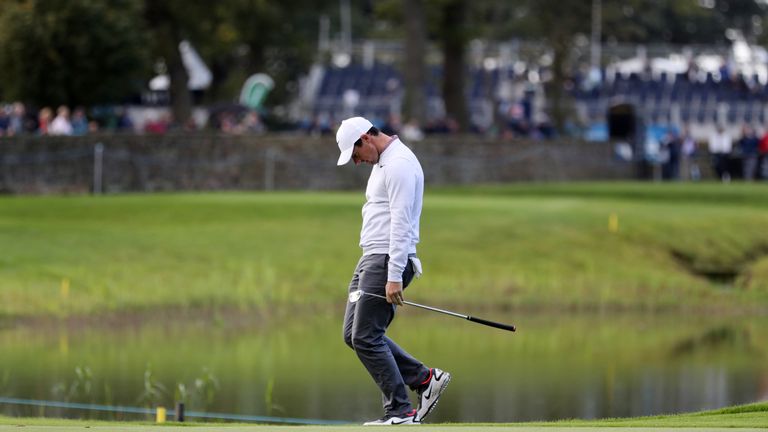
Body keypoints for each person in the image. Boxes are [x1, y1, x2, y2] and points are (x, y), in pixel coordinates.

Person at [336, 116, 451, 426]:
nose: (357, 162)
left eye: (356, 154)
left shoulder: (399, 163)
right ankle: (424, 378)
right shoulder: (384, 163)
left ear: (366, 138)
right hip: (371, 258)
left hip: (387, 260)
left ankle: (400, 411)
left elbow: (400, 223)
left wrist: (394, 275)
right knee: (353, 335)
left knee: (366, 336)